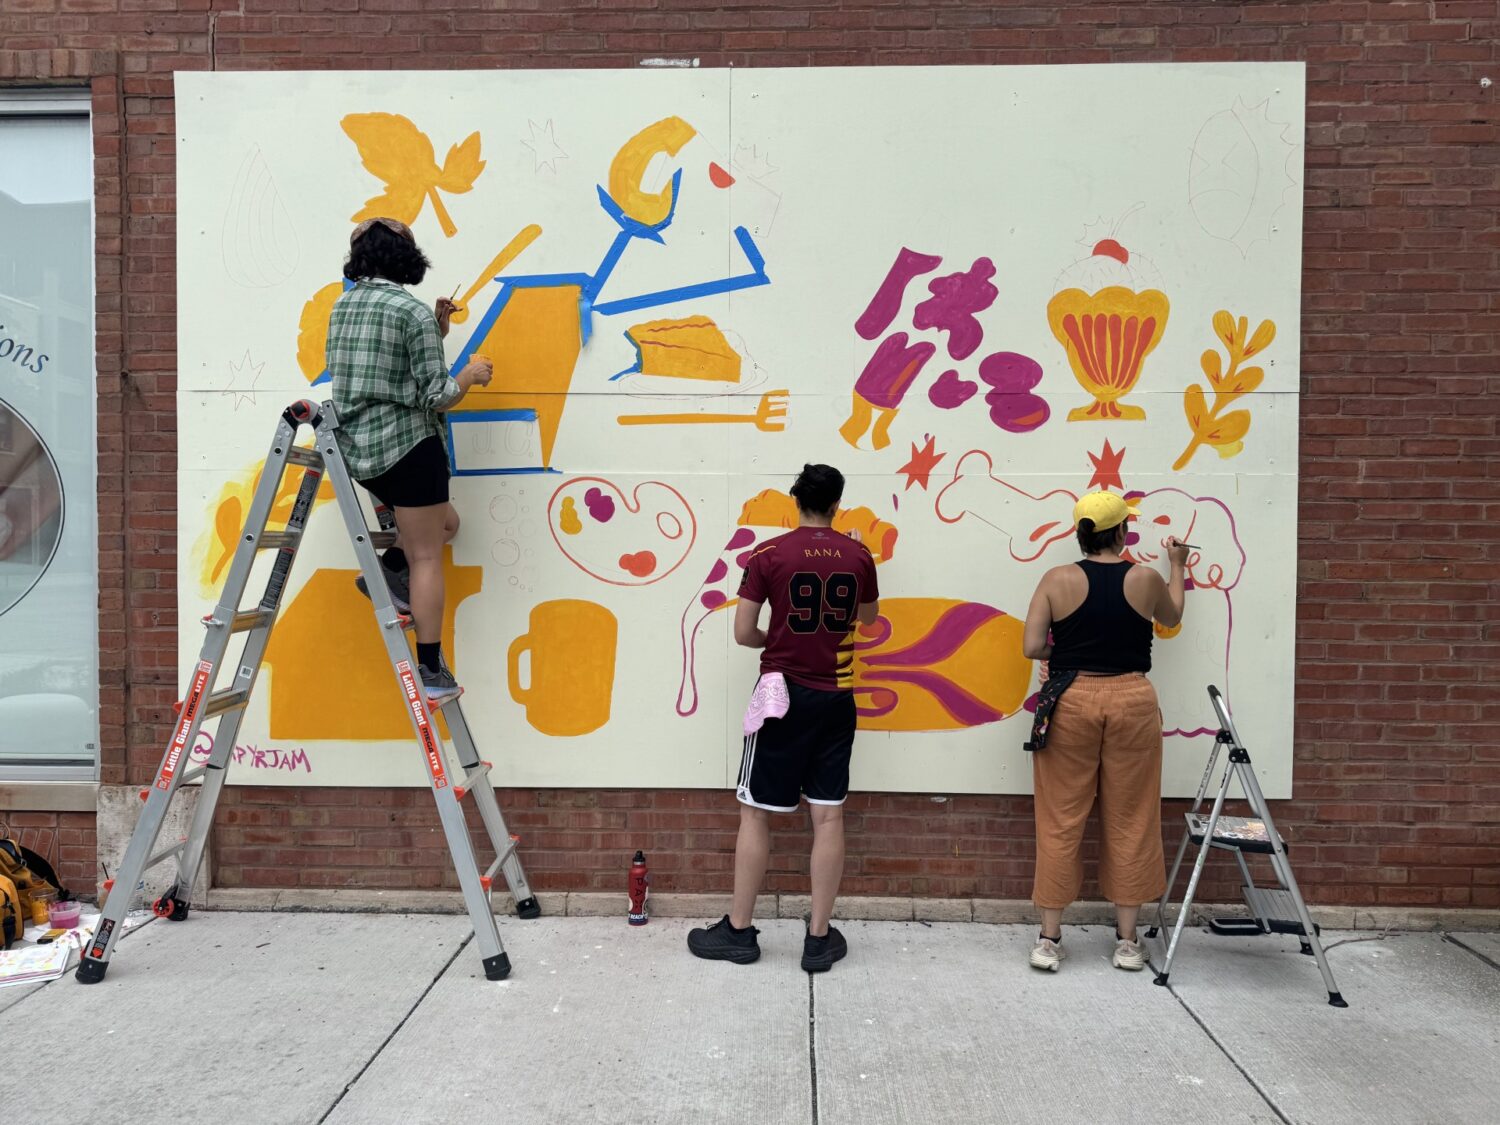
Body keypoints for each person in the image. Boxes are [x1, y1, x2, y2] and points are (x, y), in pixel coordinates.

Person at [688, 464, 879, 973]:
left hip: (782, 694)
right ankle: (818, 939)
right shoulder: (859, 555)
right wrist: (855, 553)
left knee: (755, 812)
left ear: (796, 501)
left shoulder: (767, 554)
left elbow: (744, 632)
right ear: (837, 504)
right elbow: (868, 619)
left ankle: (739, 932)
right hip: (837, 697)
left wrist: (776, 640)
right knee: (828, 814)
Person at [1020, 490, 1188, 973]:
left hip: (1071, 701)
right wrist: (1177, 566)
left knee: (1060, 816)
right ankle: (1127, 942)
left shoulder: (1056, 579)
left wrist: (1064, 654)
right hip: (1133, 700)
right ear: (1123, 532)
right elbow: (1172, 617)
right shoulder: (1146, 578)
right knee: (1132, 816)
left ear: (1081, 534)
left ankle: (1049, 939)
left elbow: (1032, 646)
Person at [327, 217, 492, 702]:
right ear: (406, 258)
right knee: (427, 557)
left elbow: (386, 368)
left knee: (447, 525)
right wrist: (471, 375)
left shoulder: (343, 307)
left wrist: (437, 330)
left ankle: (384, 571)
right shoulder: (409, 311)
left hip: (362, 452)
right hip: (409, 448)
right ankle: (430, 669)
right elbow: (437, 396)